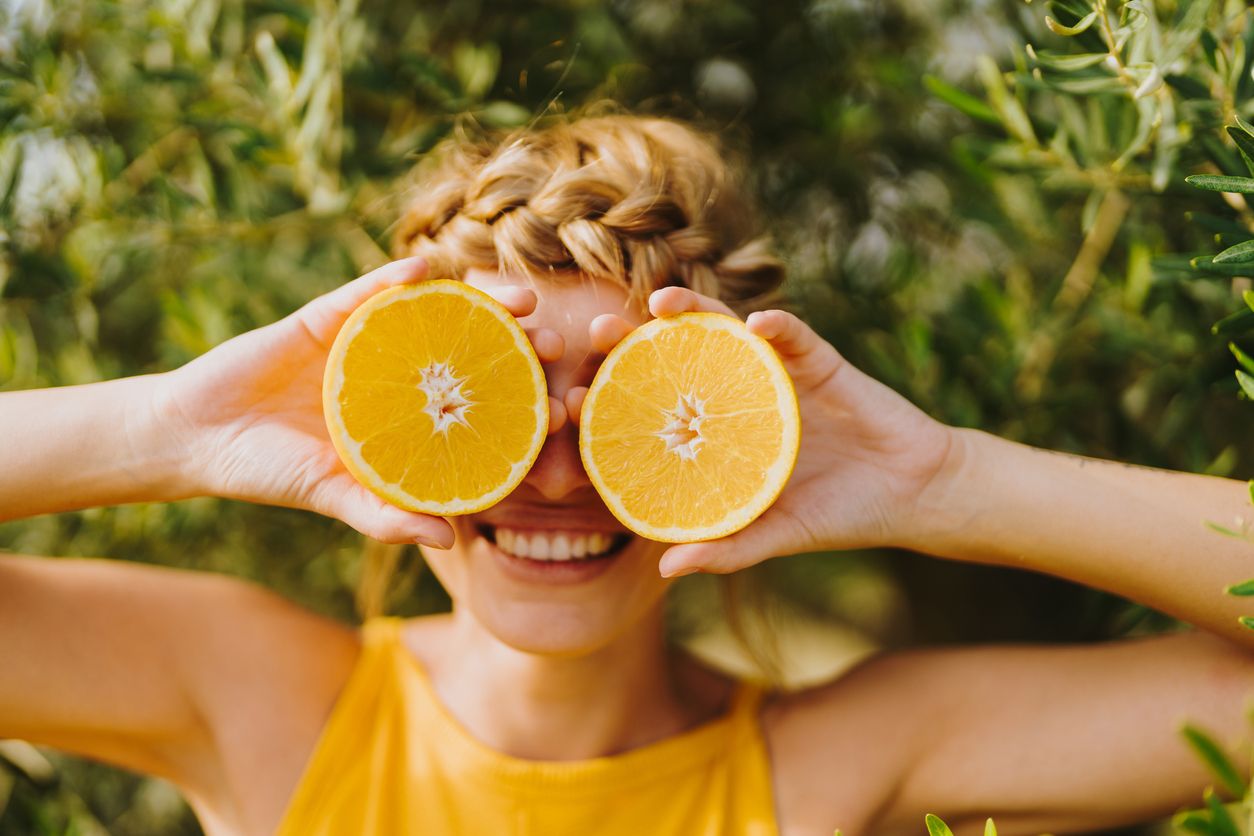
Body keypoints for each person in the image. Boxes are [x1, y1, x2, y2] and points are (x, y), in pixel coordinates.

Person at [2, 114, 1254, 836]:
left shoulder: (824, 764)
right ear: (392, 412)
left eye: (626, 401)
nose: (556, 469)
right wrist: (174, 428)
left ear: (729, 423)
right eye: (487, 392)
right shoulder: (268, 702)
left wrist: (946, 478)